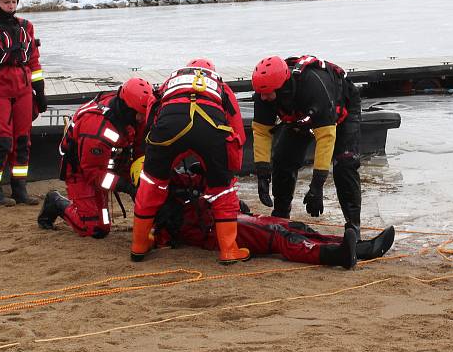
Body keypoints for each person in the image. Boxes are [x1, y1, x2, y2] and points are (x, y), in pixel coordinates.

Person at [147, 160, 396, 269]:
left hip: (225, 221)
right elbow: (162, 238)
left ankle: (360, 248)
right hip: (219, 231)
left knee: (292, 226)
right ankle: (336, 255)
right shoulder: (164, 213)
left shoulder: (174, 190)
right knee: (279, 236)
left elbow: (203, 184)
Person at [130, 58, 250, 265]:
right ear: (210, 71)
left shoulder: (169, 82)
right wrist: (228, 170)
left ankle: (139, 246)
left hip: (169, 125)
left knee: (151, 186)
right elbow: (236, 126)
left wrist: (152, 151)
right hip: (210, 127)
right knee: (222, 191)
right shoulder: (220, 85)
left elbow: (152, 113)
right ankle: (229, 251)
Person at [251, 55, 363, 247]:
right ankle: (281, 215)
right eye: (261, 93)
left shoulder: (311, 86)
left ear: (280, 86)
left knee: (344, 164)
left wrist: (317, 186)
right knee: (283, 158)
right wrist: (262, 173)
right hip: (301, 116)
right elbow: (261, 133)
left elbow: (326, 138)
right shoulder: (264, 94)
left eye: (268, 93)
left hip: (340, 110)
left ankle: (353, 226)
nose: (263, 97)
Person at [37, 77, 153, 237]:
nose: (142, 118)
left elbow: (140, 148)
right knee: (96, 228)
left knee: (144, 189)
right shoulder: (96, 129)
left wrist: (140, 179)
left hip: (112, 162)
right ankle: (56, 203)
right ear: (129, 109)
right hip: (82, 171)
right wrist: (126, 186)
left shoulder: (133, 115)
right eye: (140, 114)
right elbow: (93, 172)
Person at [0, 0, 46, 206]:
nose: (10, 5)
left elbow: (34, 61)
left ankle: (20, 188)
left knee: (22, 140)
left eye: (13, 1)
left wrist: (40, 91)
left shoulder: (25, 26)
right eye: (6, 2)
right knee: (1, 139)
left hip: (23, 89)